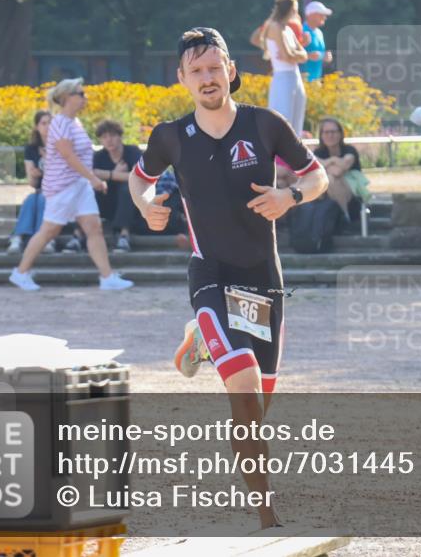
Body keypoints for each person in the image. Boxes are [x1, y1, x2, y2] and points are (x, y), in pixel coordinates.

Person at [128, 27, 327, 529]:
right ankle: (267, 517)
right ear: (182, 79)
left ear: (231, 71)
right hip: (211, 273)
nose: (206, 78)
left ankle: (201, 337)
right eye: (195, 71)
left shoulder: (265, 125)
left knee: (258, 406)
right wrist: (146, 204)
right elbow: (139, 178)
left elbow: (316, 175)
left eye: (214, 67)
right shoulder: (170, 136)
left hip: (263, 278)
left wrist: (291, 197)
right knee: (242, 387)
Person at [8, 78, 134, 291]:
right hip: (63, 187)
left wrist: (89, 180)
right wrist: (94, 179)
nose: (85, 97)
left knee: (94, 228)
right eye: (81, 93)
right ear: (67, 98)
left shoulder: (73, 122)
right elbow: (69, 156)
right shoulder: (60, 123)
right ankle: (20, 273)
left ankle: (107, 276)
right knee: (49, 231)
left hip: (78, 186)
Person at [7, 111, 56, 254]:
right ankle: (17, 238)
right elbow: (32, 183)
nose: (48, 127)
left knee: (41, 199)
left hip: (58, 191)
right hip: (41, 190)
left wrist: (48, 160)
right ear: (37, 127)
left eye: (51, 123)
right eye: (44, 123)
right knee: (31, 198)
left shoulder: (62, 147)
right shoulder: (31, 149)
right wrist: (35, 176)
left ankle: (46, 239)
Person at [92, 119, 143, 252]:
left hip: (131, 203)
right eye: (104, 137)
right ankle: (78, 235)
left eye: (112, 135)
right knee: (90, 191)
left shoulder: (132, 152)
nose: (109, 140)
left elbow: (138, 179)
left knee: (127, 188)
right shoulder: (98, 157)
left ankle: (124, 235)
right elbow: (91, 175)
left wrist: (108, 175)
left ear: (120, 136)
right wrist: (115, 173)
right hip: (107, 202)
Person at [263, 0, 309, 135]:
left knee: (296, 125)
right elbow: (287, 55)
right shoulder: (274, 27)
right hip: (282, 79)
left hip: (295, 78)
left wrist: (293, 54)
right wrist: (294, 54)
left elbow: (303, 55)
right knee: (283, 123)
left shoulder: (288, 29)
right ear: (289, 8)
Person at [314, 117, 370, 221]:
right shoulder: (318, 152)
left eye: (333, 132)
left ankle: (345, 216)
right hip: (327, 193)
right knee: (329, 179)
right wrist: (333, 160)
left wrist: (326, 163)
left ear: (340, 134)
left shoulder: (349, 150)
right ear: (321, 135)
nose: (330, 135)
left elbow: (338, 171)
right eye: (326, 132)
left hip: (352, 194)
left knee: (330, 179)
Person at [300, 0, 334, 83]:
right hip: (301, 81)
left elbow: (318, 57)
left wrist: (325, 58)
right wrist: (308, 56)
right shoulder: (300, 31)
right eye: (321, 14)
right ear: (311, 15)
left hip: (316, 81)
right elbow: (290, 54)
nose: (324, 17)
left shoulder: (319, 33)